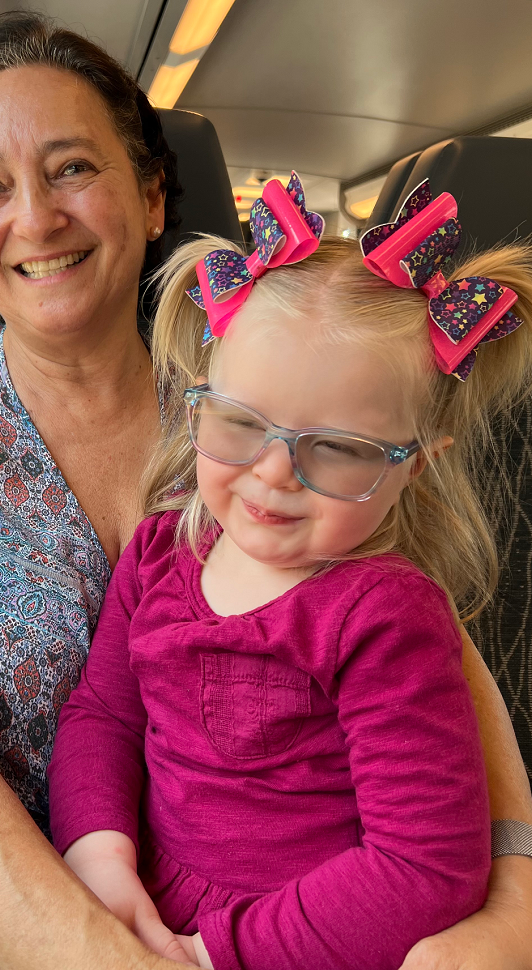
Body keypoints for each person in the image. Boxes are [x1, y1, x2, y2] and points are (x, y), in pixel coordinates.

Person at [0, 11, 531, 970]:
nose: (34, 216)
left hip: (256, 919)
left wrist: (512, 895)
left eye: (72, 167)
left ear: (153, 197)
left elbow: (423, 642)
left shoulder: (254, 409)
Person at [47, 178, 532, 970]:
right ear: (198, 405)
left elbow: (423, 868)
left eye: (337, 448)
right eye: (239, 423)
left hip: (308, 944)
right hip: (139, 912)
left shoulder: (386, 616)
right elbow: (105, 716)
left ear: (414, 468)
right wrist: (100, 857)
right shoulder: (158, 555)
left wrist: (214, 952)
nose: (273, 475)